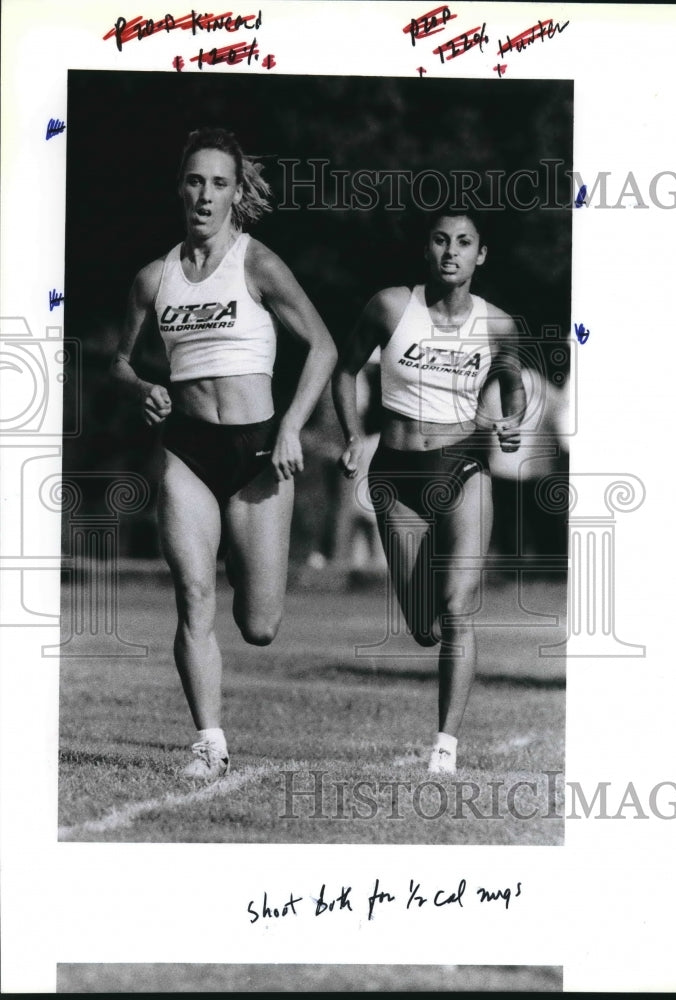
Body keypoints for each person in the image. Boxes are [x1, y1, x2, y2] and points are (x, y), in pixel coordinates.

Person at [112, 127, 337, 780]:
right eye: (193, 180)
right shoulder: (153, 278)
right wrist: (142, 388)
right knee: (192, 592)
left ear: (237, 193)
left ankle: (251, 563)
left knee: (259, 623)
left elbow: (322, 346)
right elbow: (118, 361)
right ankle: (208, 740)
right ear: (179, 188)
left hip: (259, 453)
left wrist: (294, 426)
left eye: (217, 182)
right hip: (187, 449)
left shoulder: (257, 263)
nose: (204, 194)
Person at [332, 208, 525, 775]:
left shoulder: (498, 326)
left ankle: (445, 747)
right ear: (427, 249)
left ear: (480, 255)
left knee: (458, 607)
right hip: (396, 474)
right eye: (441, 240)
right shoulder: (391, 307)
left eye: (464, 243)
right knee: (424, 627)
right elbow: (344, 371)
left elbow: (513, 388)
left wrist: (511, 423)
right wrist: (351, 437)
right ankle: (432, 632)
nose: (452, 251)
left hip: (463, 466)